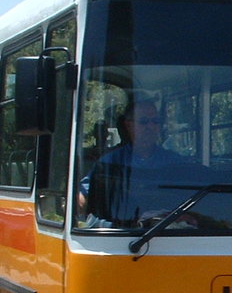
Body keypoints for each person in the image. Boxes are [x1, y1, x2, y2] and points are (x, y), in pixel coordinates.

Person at [79, 95, 203, 225]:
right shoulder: (110, 162)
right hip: (121, 233)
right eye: (143, 121)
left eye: (155, 121)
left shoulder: (175, 161)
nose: (150, 126)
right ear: (128, 125)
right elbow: (84, 196)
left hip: (165, 232)